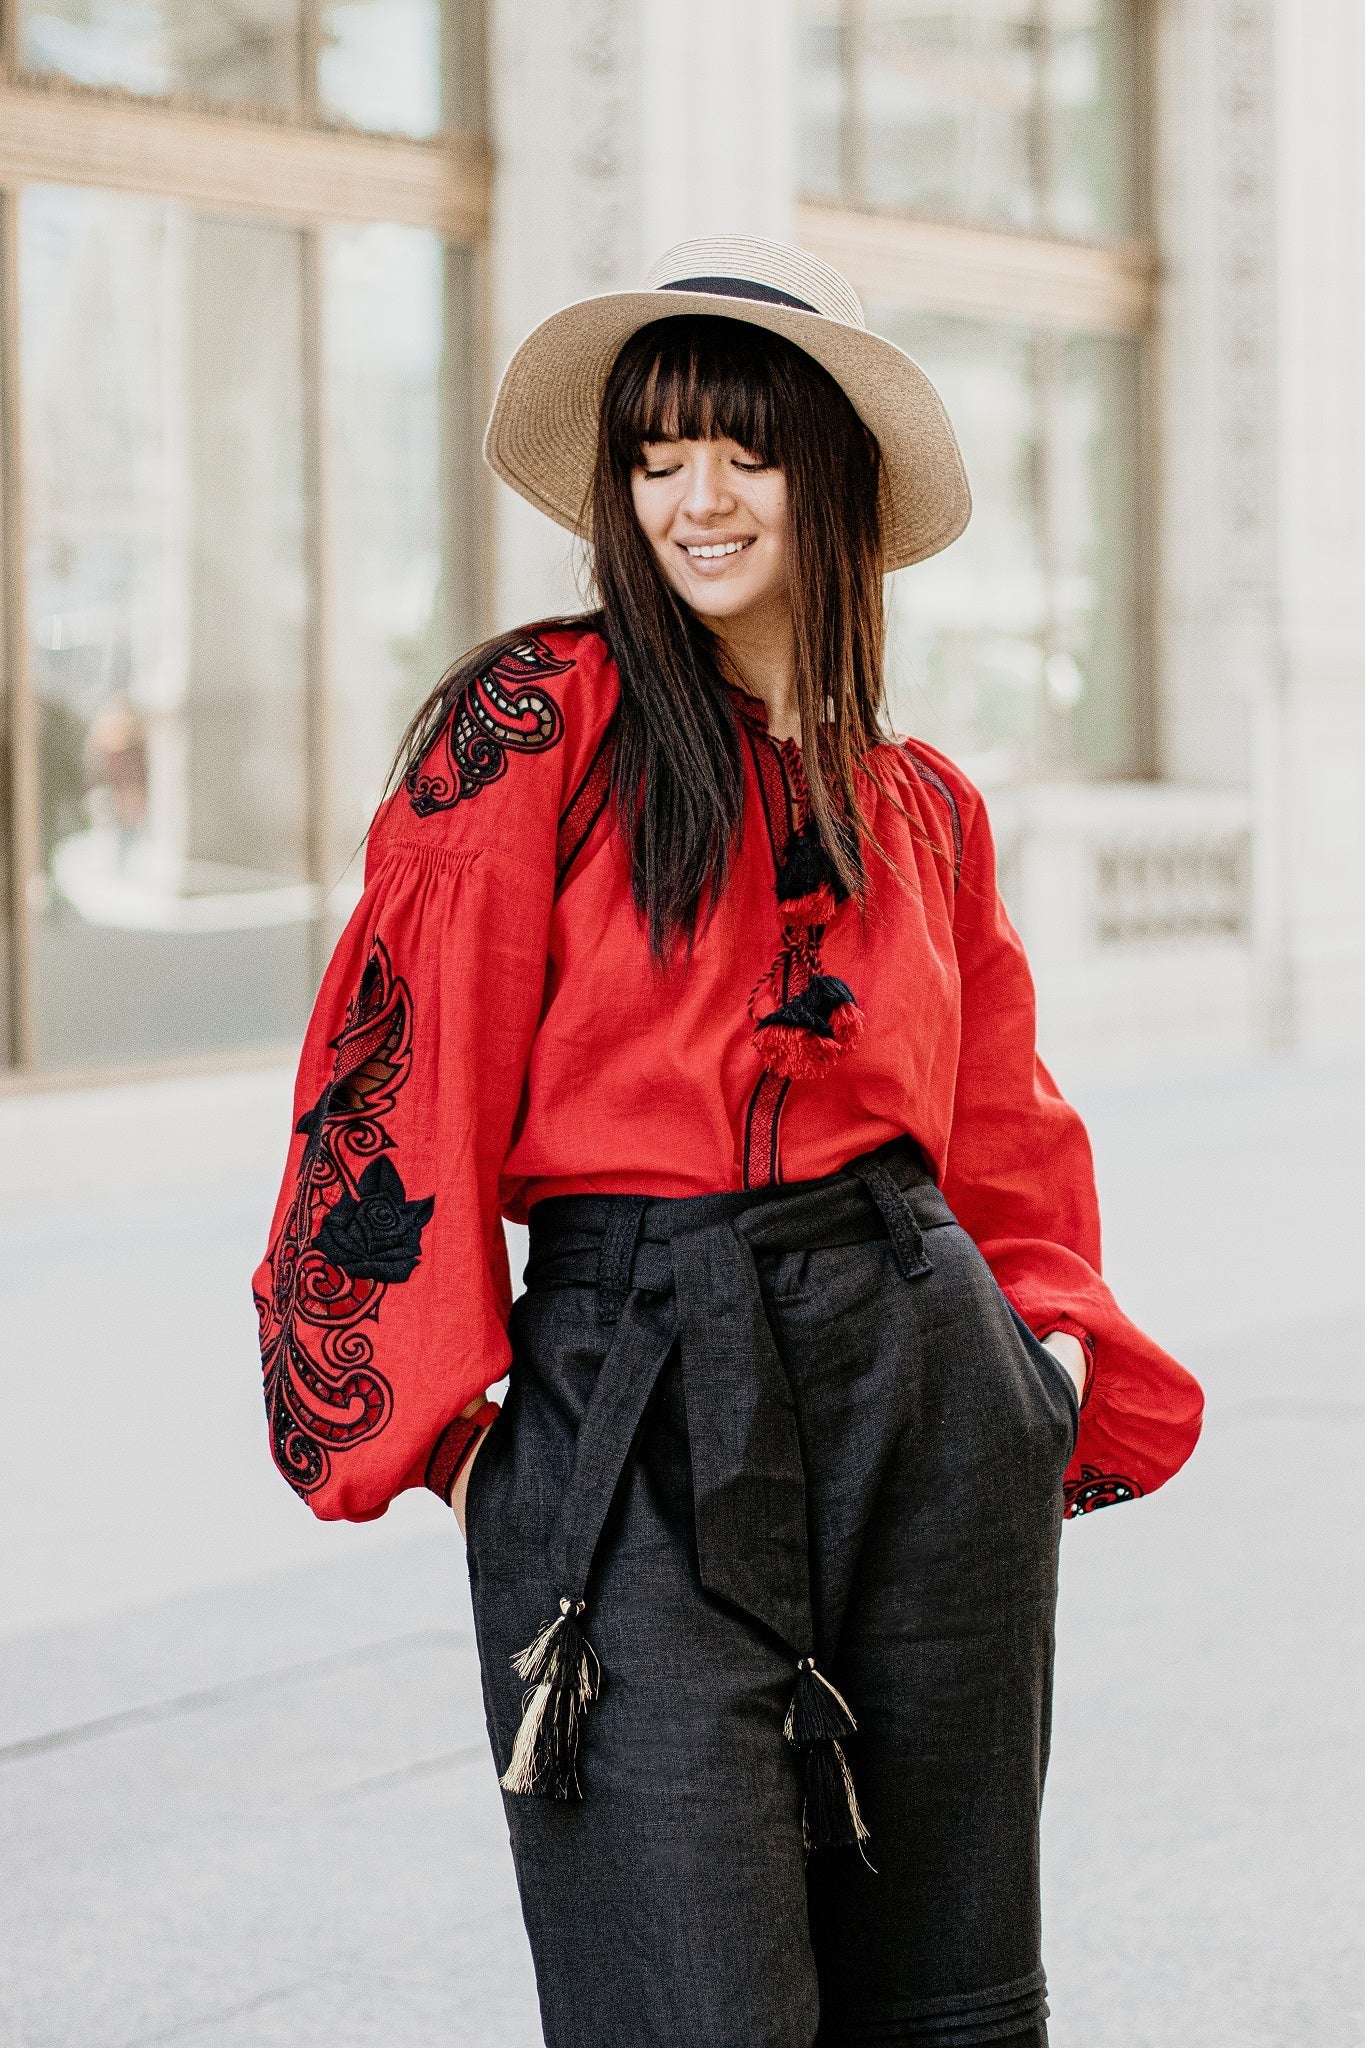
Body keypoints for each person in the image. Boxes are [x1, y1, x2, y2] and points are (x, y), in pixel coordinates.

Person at [252, 236, 1203, 2048]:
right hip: (633, 1387)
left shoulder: (915, 799)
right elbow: (393, 1070)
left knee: (943, 1985)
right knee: (687, 1983)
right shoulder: (533, 725)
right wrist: (455, 1435)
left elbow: (994, 1121)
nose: (695, 498)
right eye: (655, 456)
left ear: (823, 478)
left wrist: (1024, 1360)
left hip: (918, 1377)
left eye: (742, 452)